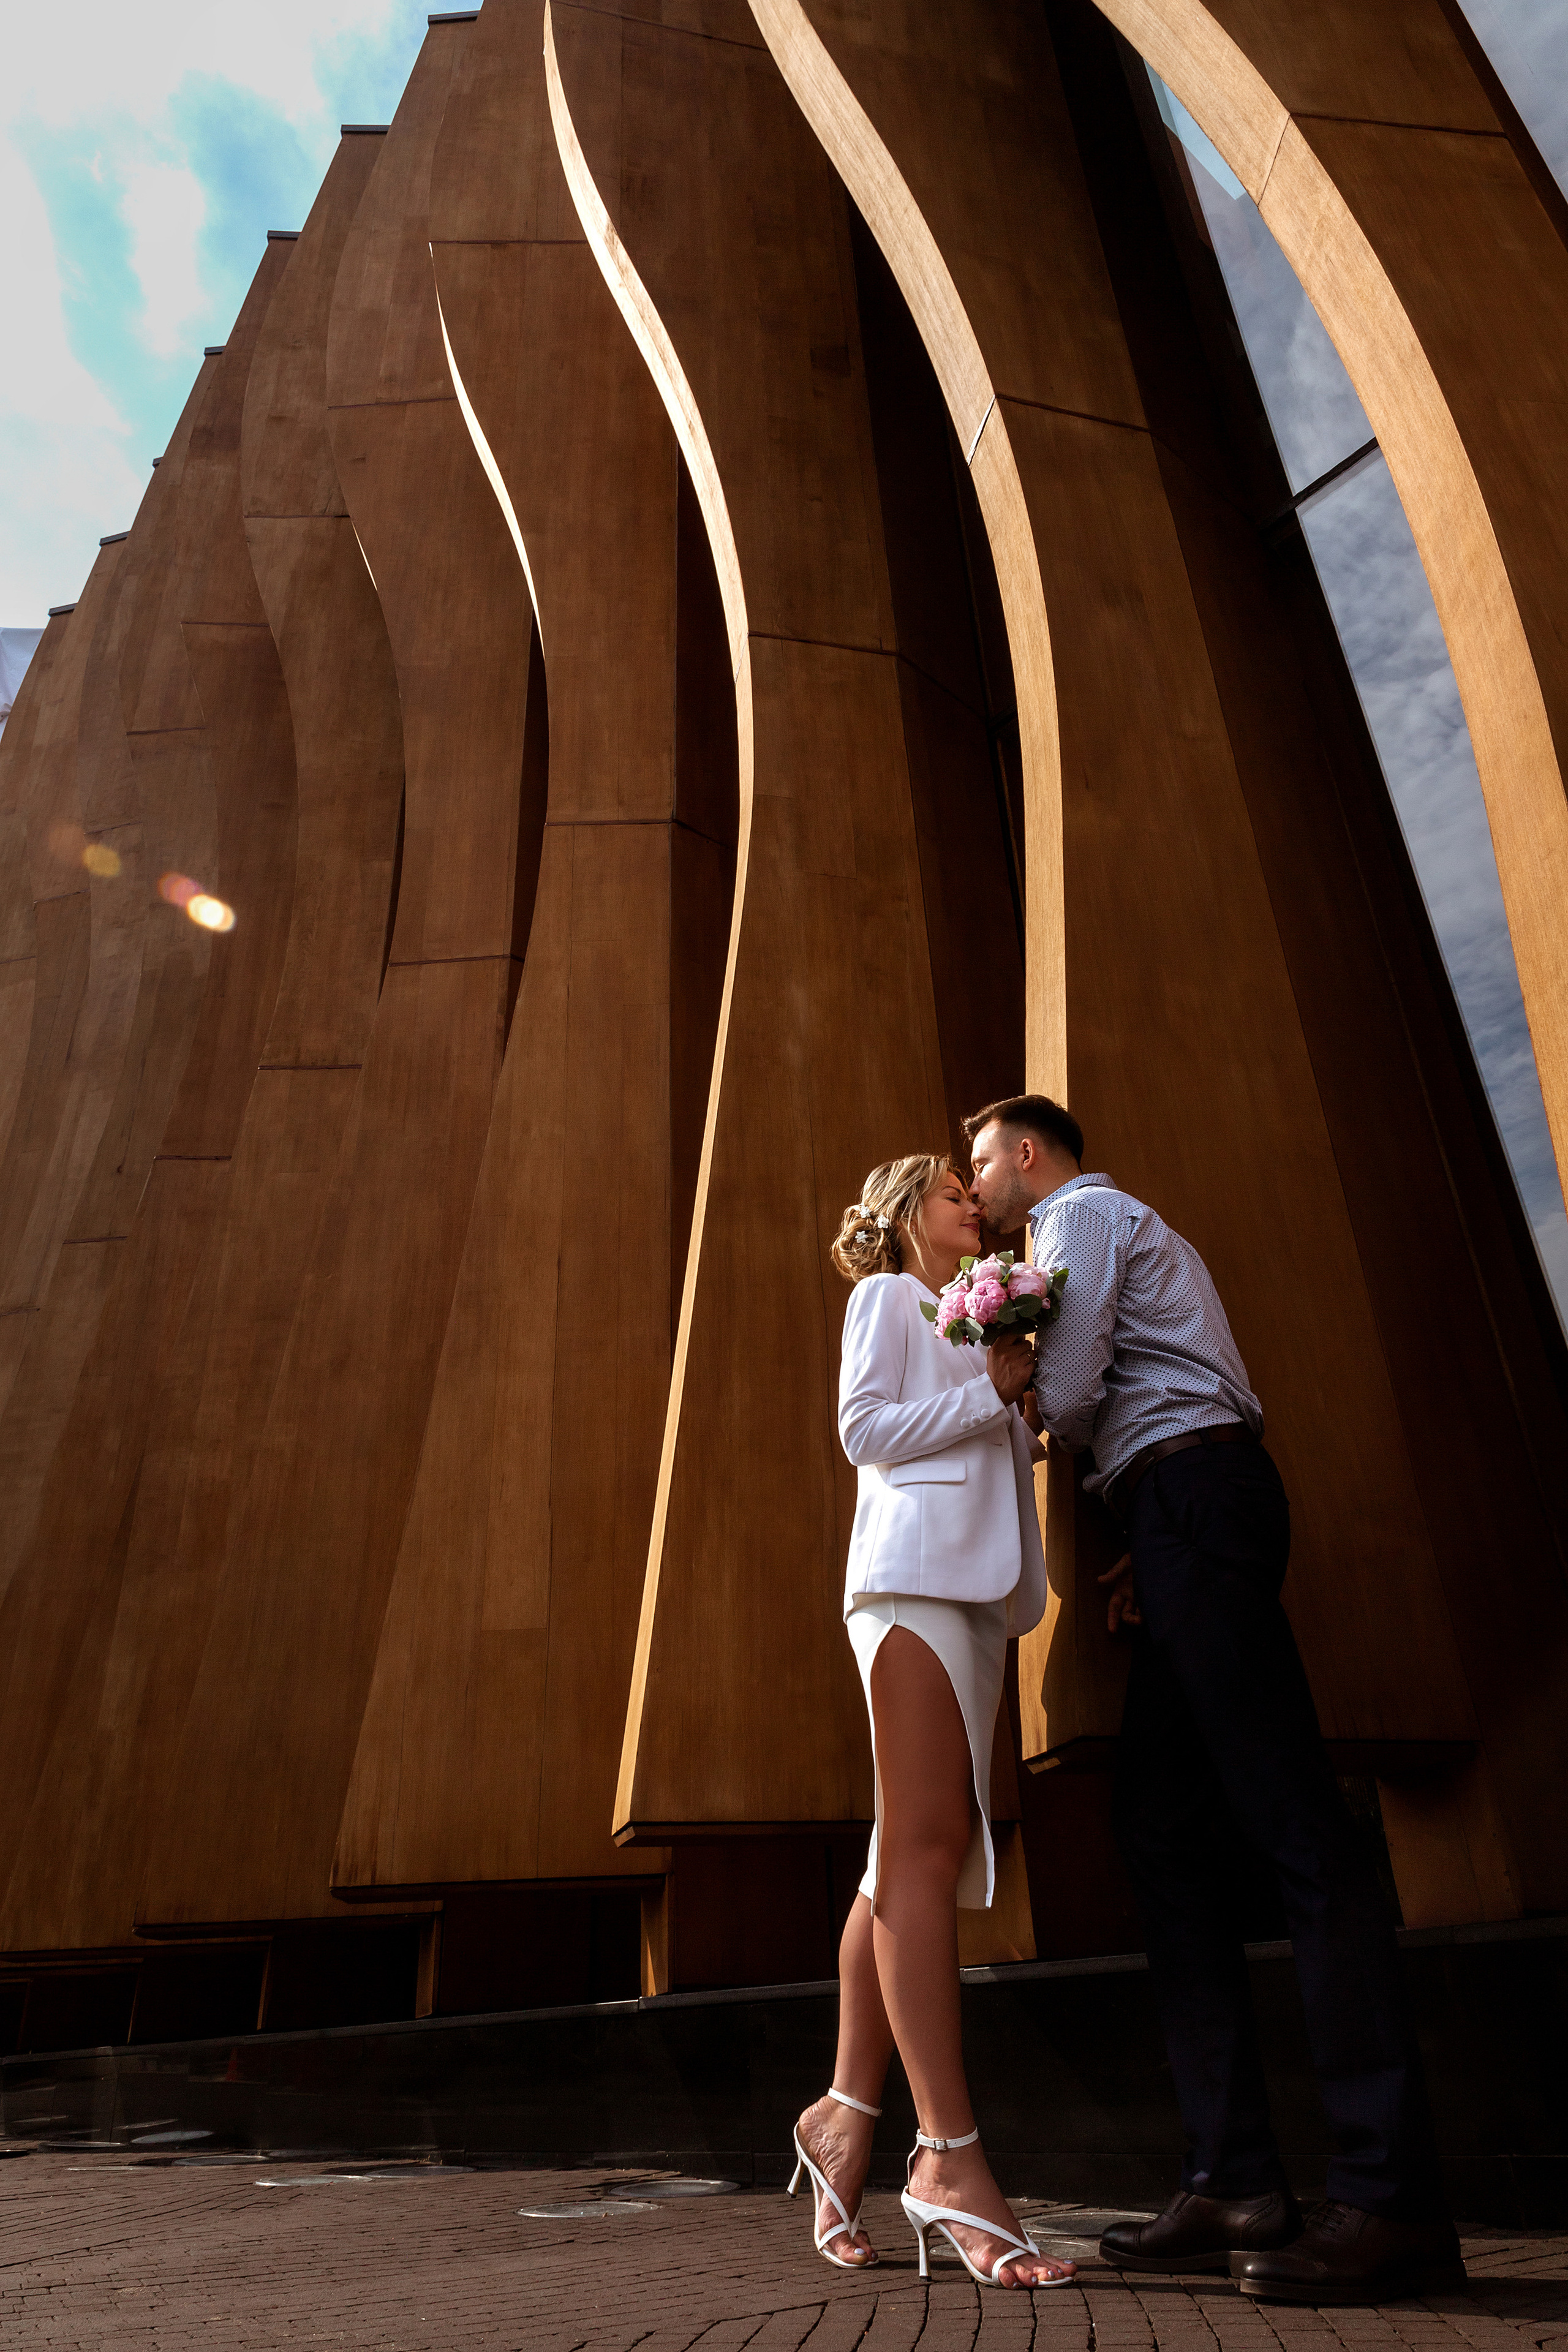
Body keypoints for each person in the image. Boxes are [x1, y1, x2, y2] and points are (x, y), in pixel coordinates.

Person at [965, 1093, 1465, 2307]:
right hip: (1182, 1506)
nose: (972, 1184)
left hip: (1195, 1498)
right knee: (1159, 1826)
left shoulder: (1077, 1216)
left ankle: (1389, 2204)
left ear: (1027, 1154)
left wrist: (999, 1404)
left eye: (977, 1161)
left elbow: (1077, 1390)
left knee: (1295, 1830)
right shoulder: (1115, 1226)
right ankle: (1232, 2177)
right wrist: (1149, 1521)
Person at [790, 1153, 1076, 2290]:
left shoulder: (971, 1327)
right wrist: (990, 1391)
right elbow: (865, 1429)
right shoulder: (888, 1298)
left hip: (970, 1593)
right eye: (954, 1189)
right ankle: (947, 2158)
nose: (975, 1200)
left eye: (974, 1187)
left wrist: (1018, 1405)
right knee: (923, 1847)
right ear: (910, 1214)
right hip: (909, 1585)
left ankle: (844, 2116)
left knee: (899, 1855)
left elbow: (977, 1437)